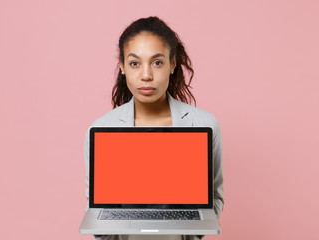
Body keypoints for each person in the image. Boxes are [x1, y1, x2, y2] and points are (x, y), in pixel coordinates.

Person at [84, 16, 224, 240]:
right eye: (134, 63)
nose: (146, 75)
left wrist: (187, 230)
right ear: (122, 66)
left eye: (157, 62)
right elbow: (97, 208)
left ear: (172, 64)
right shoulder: (102, 128)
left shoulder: (203, 124)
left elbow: (214, 198)